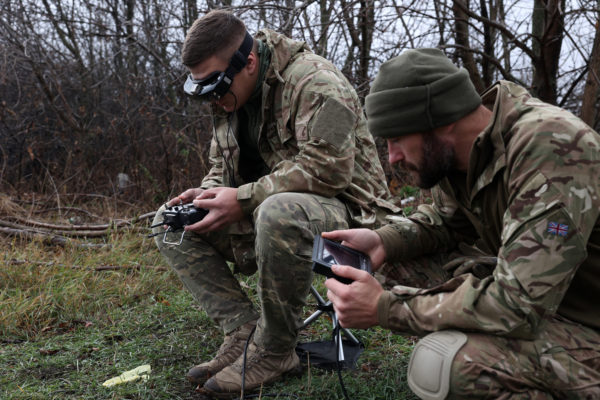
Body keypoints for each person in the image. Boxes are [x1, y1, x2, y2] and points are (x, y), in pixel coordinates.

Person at [324, 48, 600, 399]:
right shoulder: (463, 153)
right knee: (391, 264)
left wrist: (386, 308)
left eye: (396, 139)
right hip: (549, 304)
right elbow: (445, 222)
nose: (392, 157)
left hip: (581, 322)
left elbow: (516, 306)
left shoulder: (553, 149)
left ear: (442, 120)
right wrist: (383, 241)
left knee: (448, 365)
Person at [151, 10, 398, 397]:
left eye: (216, 86)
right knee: (170, 220)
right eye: (204, 90)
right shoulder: (229, 96)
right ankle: (243, 330)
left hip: (352, 222)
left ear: (248, 62)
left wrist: (244, 198)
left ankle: (275, 350)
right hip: (268, 213)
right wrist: (208, 194)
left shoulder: (316, 82)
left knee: (277, 211)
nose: (213, 98)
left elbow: (330, 170)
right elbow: (222, 166)